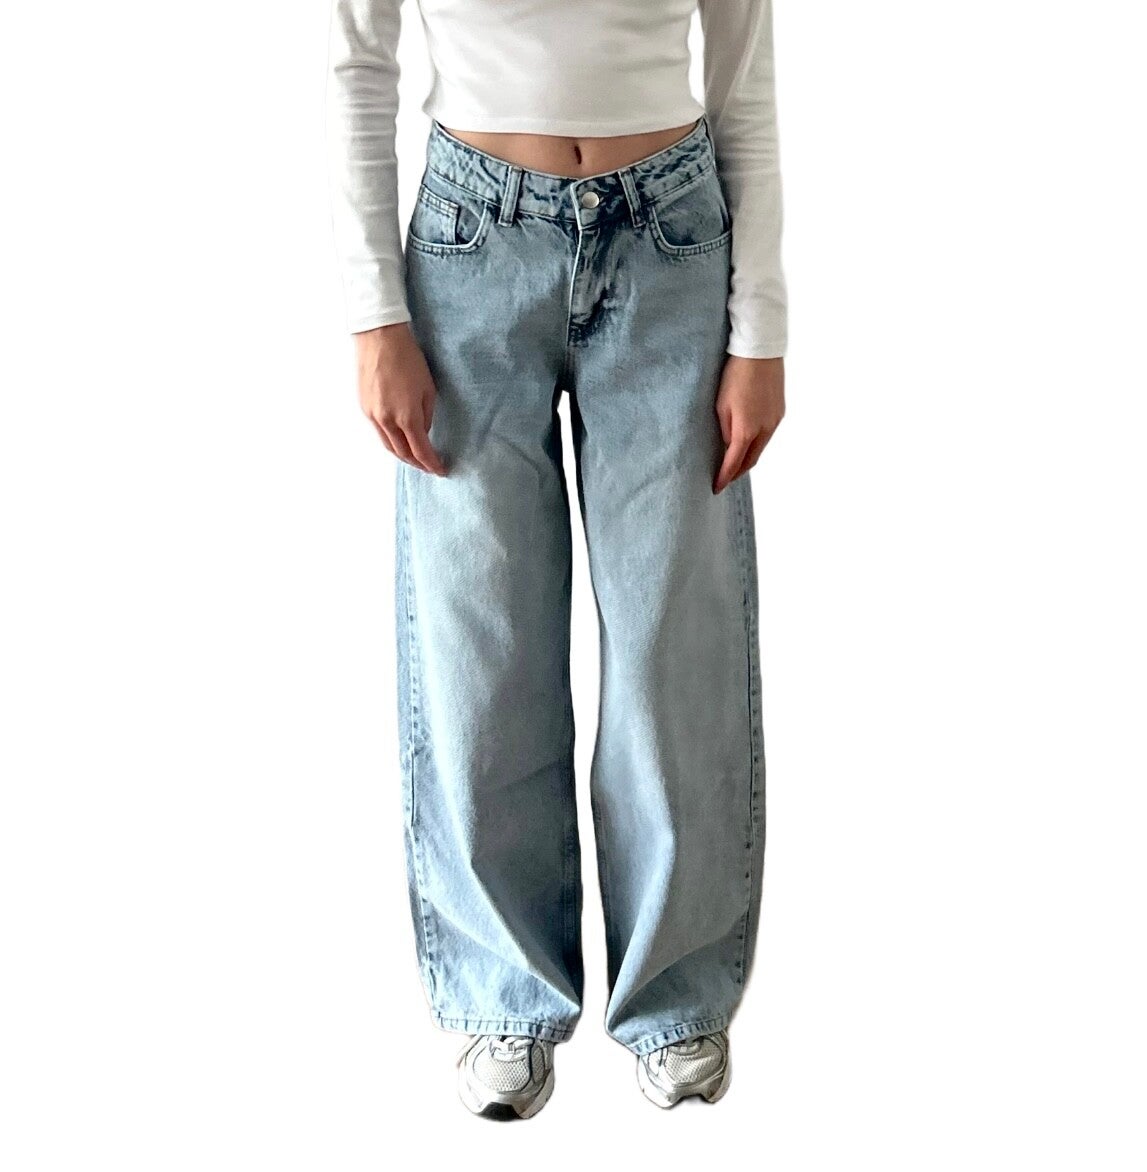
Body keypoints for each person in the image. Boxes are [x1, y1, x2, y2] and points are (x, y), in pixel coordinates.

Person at [325, 0, 787, 1119]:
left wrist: (761, 330)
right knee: (480, 640)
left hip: (673, 242)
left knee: (673, 635)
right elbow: (356, 66)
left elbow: (744, 86)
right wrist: (373, 313)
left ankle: (675, 997)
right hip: (470, 251)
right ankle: (504, 990)